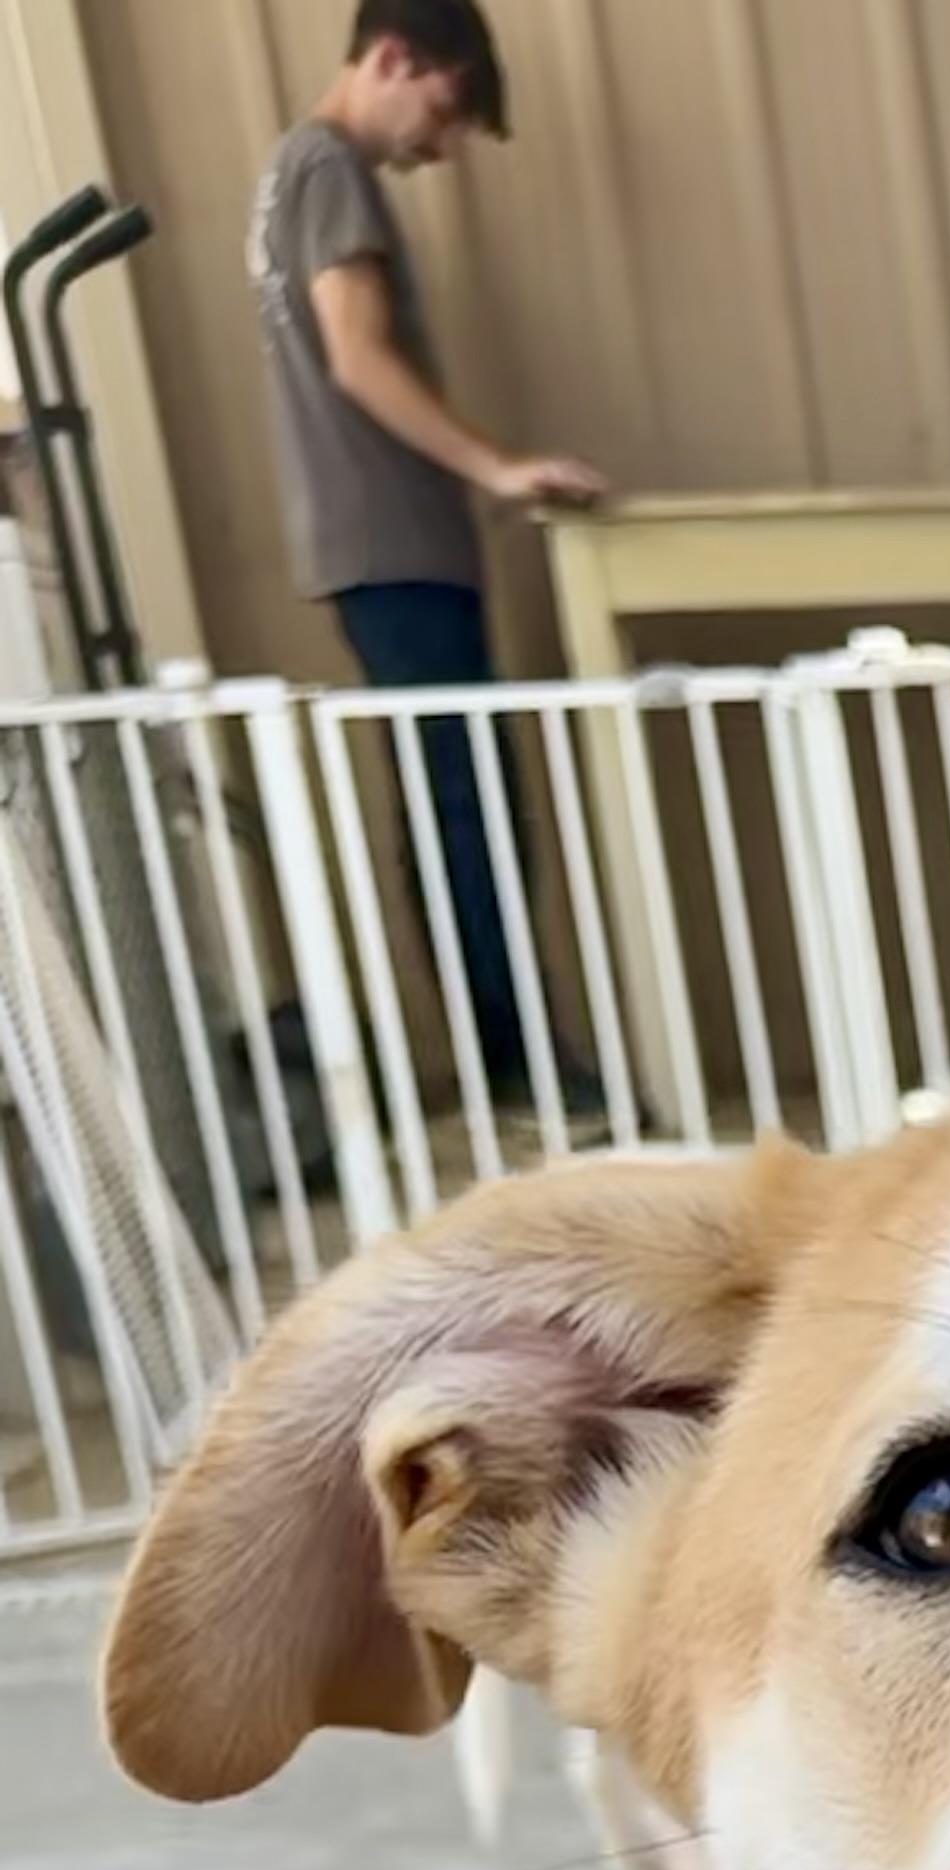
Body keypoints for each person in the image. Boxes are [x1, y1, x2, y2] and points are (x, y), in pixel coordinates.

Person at [247, 5, 603, 1103]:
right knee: (470, 805)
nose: (439, 148)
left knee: (448, 795)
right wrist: (494, 467)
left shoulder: (291, 177)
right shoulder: (327, 170)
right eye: (444, 109)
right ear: (393, 58)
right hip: (395, 551)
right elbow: (358, 358)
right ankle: (530, 1071)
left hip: (373, 554)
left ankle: (512, 1060)